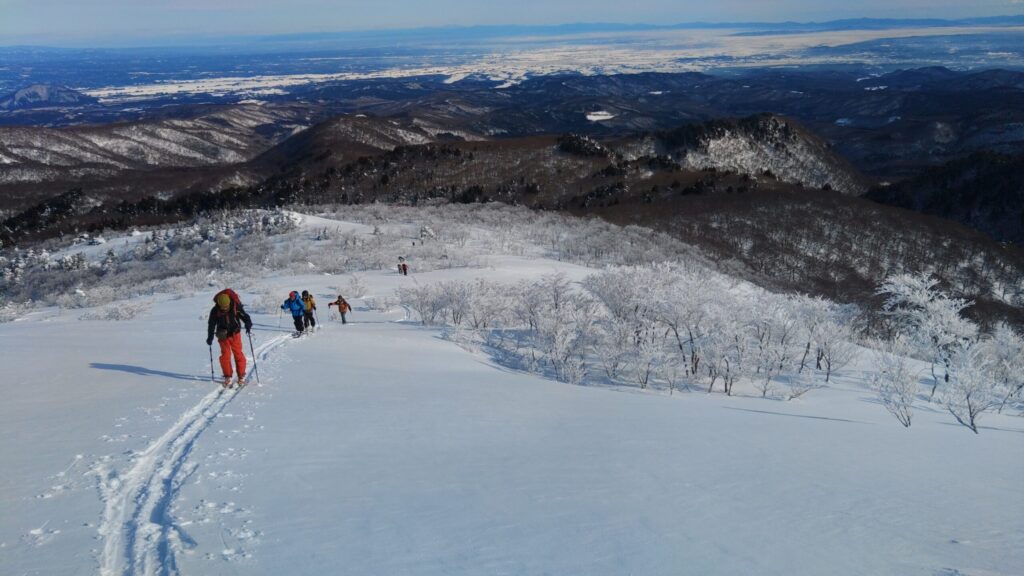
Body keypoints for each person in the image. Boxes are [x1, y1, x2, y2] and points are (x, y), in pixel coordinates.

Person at [206, 288, 253, 387]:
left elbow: (245, 317)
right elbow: (211, 324)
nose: (225, 308)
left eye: (226, 306)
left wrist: (248, 324)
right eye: (223, 307)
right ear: (219, 304)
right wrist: (210, 336)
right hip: (223, 335)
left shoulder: (235, 306)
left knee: (238, 354)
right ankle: (227, 376)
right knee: (225, 356)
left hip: (235, 334)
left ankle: (241, 375)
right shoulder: (215, 310)